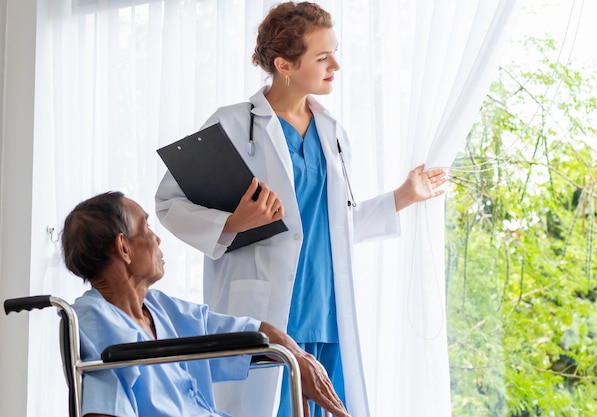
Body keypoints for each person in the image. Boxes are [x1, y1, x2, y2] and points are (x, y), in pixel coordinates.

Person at [155, 2, 447, 417]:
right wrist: (231, 223)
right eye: (323, 57)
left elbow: (334, 227)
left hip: (327, 312)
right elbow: (168, 203)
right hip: (269, 312)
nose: (336, 66)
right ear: (284, 64)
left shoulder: (333, 132)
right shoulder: (234, 125)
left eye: (335, 52)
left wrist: (403, 195)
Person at [61, 191, 350, 417]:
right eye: (147, 227)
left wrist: (300, 358)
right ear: (124, 247)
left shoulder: (159, 308)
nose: (157, 238)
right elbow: (103, 409)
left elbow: (255, 332)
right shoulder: (94, 320)